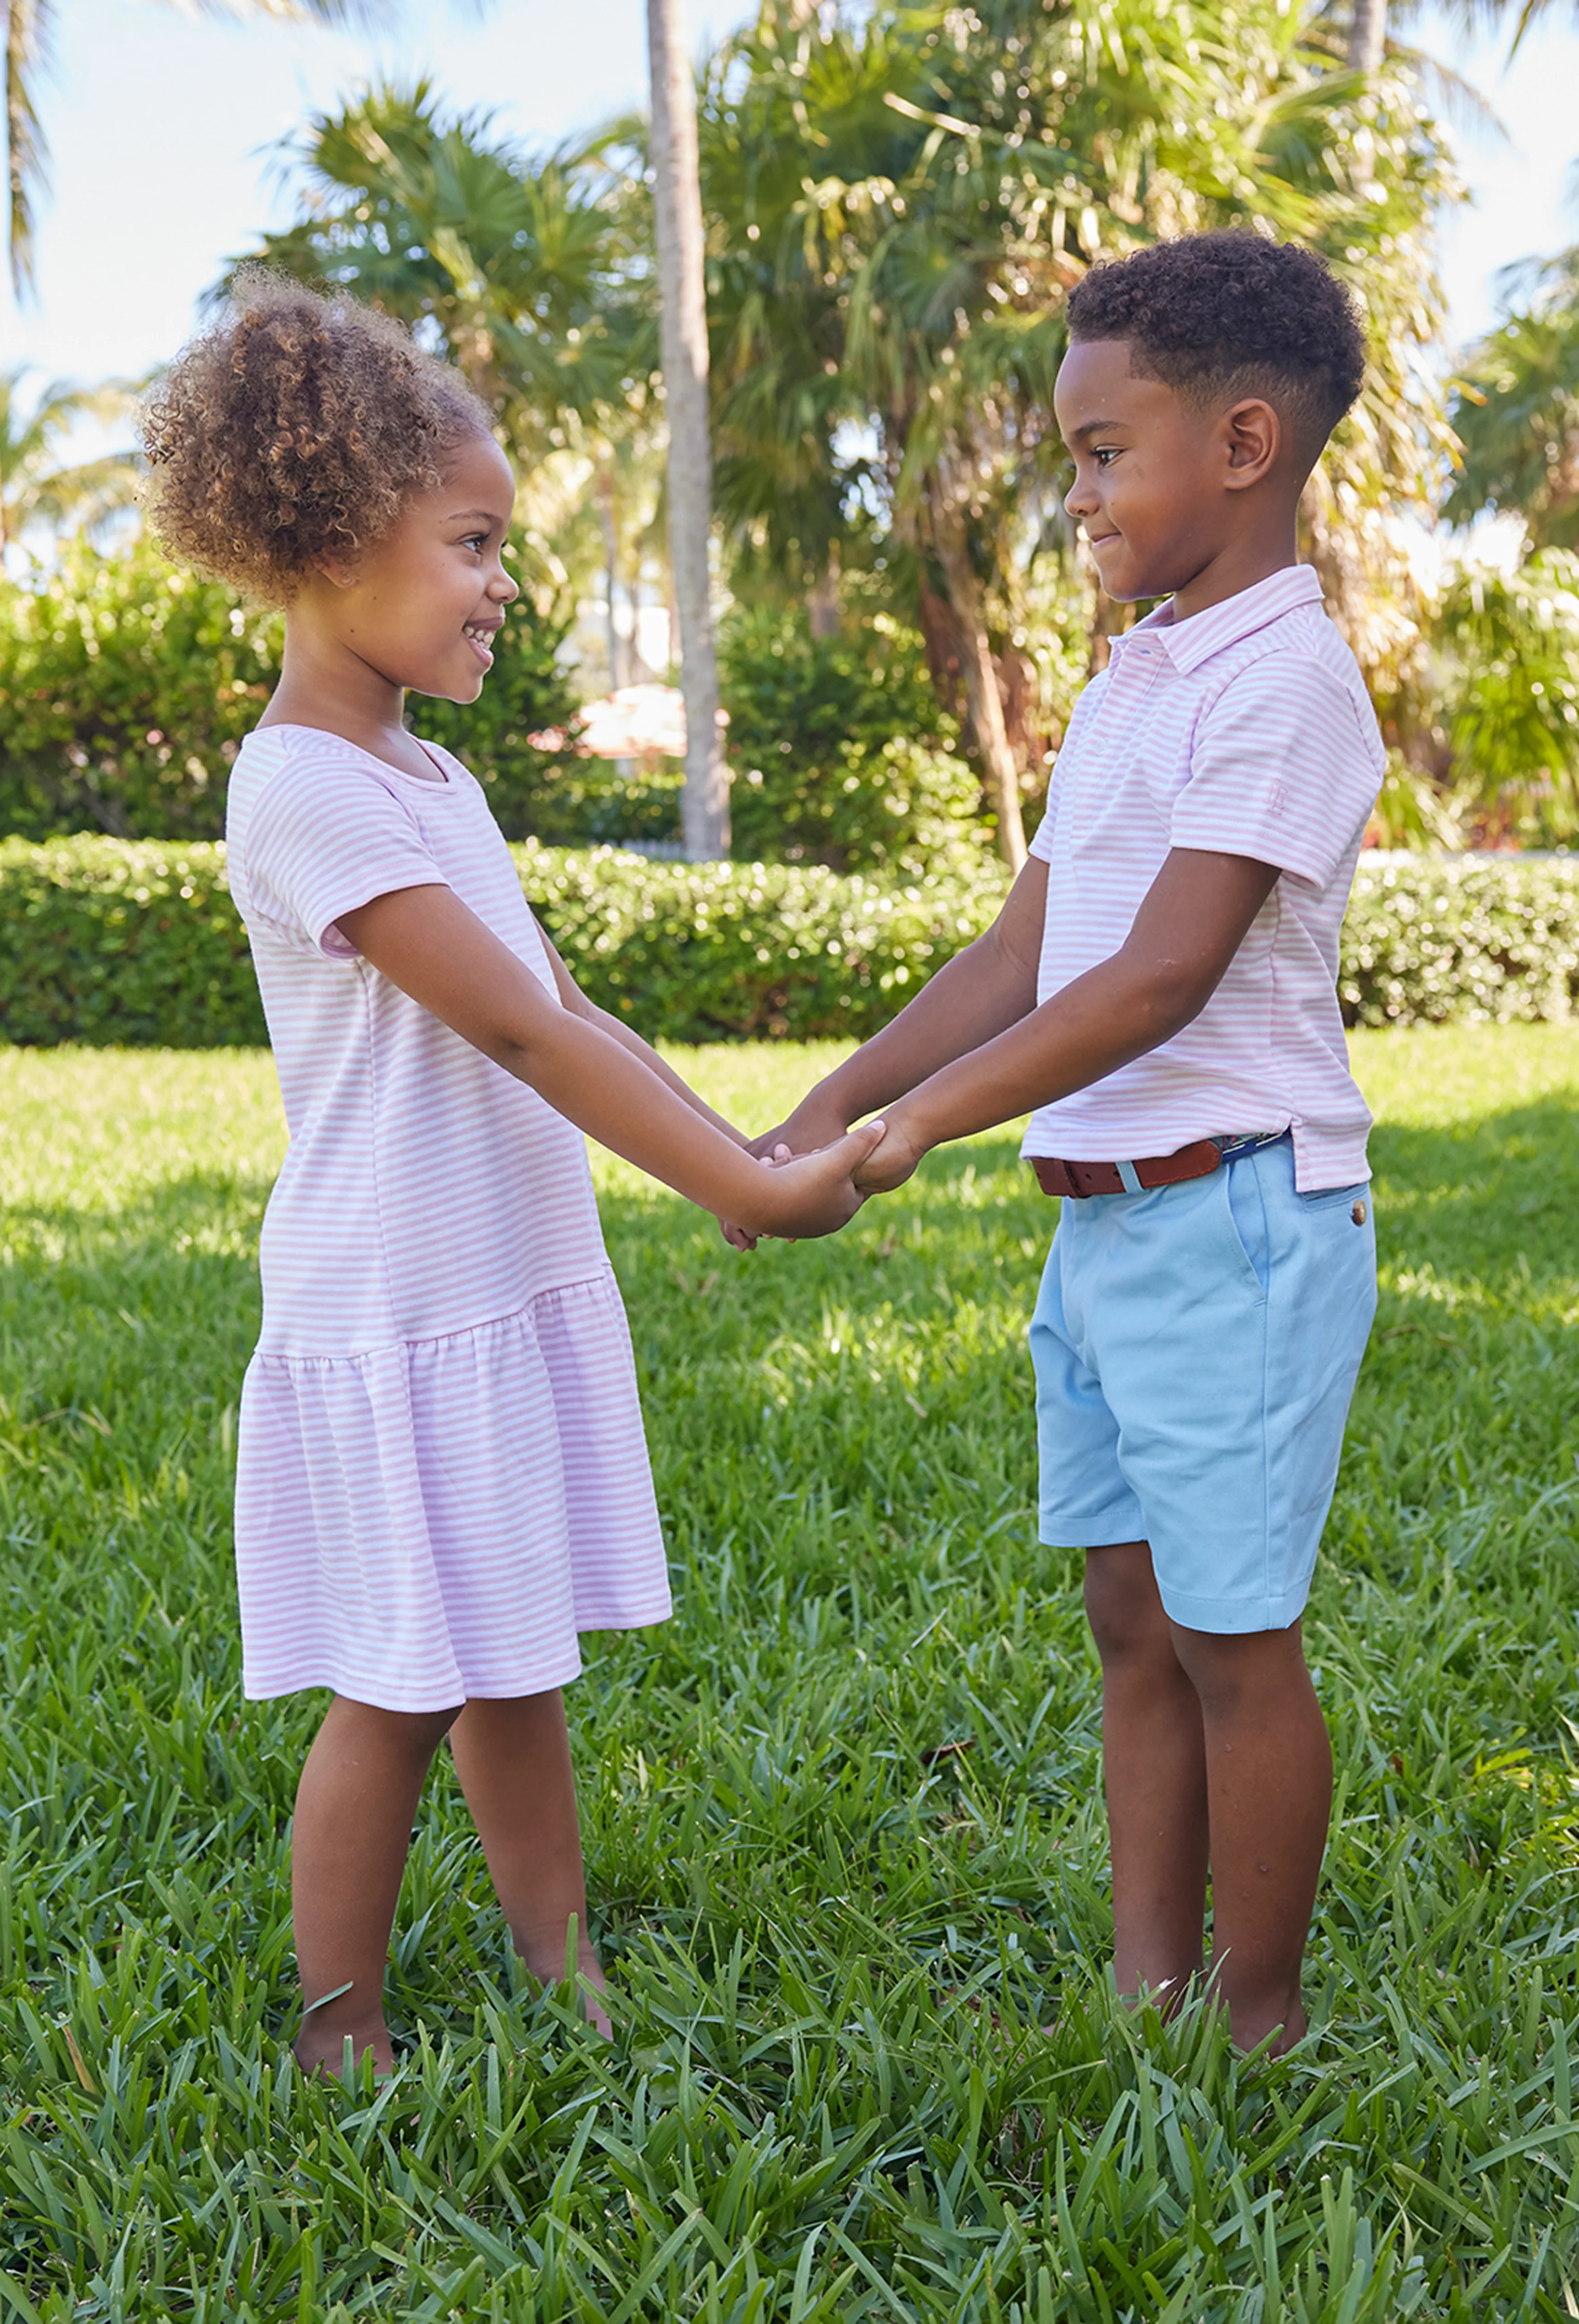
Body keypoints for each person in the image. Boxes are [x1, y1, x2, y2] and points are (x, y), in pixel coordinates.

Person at [140, 274, 883, 2078]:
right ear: (329, 537)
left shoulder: (428, 776)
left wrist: (727, 1155)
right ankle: (343, 2028)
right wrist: (760, 1193)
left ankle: (567, 1975)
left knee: (517, 1659)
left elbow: (570, 1004)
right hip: (397, 1297)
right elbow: (520, 1043)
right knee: (397, 1686)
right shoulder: (303, 788)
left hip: (493, 1275)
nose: (502, 587)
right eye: (474, 543)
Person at [754, 233, 1385, 2055]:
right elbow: (1030, 949)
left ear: (1245, 443)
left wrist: (927, 1130)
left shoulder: (1289, 682)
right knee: (1133, 1621)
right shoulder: (1136, 677)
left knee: (1231, 1639)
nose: (1081, 494)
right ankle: (1148, 1989)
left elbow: (1164, 978)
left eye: (1108, 453)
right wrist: (845, 1093)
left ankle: (1256, 2022)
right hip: (1106, 1231)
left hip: (1240, 1220)